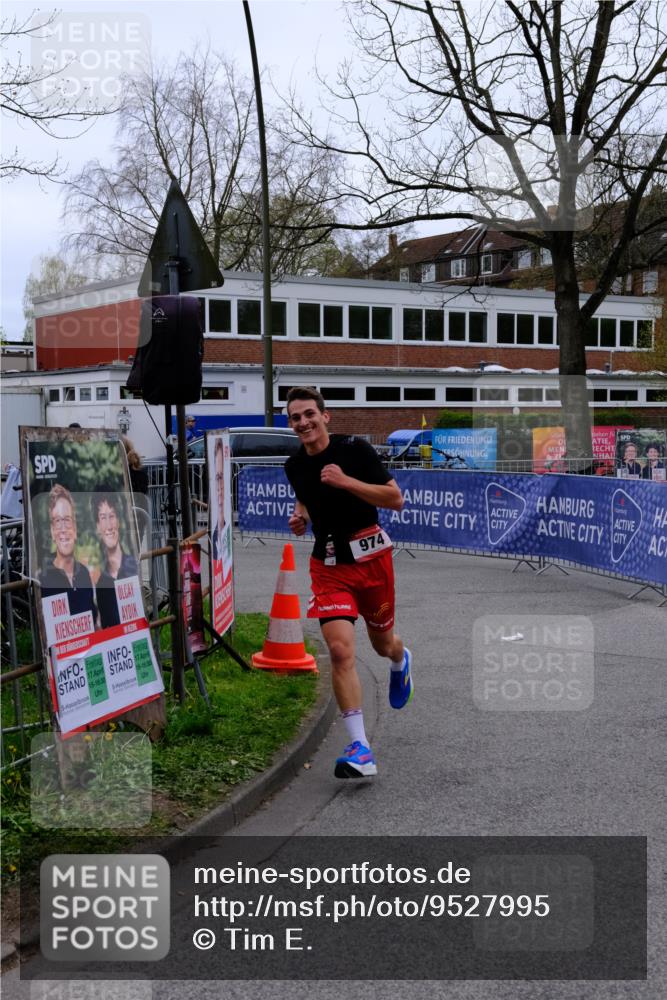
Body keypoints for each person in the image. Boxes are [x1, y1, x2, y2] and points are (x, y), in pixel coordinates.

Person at [284, 386, 412, 780]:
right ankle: (360, 747)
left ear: (326, 417)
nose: (303, 422)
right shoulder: (294, 465)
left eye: (309, 414)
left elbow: (394, 499)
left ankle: (400, 659)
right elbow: (305, 495)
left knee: (381, 643)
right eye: (295, 418)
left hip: (371, 561)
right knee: (340, 651)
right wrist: (300, 514)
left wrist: (346, 482)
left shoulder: (354, 450)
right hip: (329, 566)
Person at [40, 484, 97, 622]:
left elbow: (92, 617)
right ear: (52, 531)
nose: (64, 529)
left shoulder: (83, 573)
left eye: (67, 520)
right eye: (58, 521)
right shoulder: (44, 579)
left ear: (75, 528)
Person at [92, 490, 139, 628]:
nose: (109, 525)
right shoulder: (102, 583)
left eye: (112, 516)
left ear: (118, 521)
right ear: (97, 527)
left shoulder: (132, 568)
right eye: (103, 518)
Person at [211, 436, 232, 564]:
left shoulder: (227, 531)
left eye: (221, 478)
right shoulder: (214, 536)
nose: (219, 487)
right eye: (217, 478)